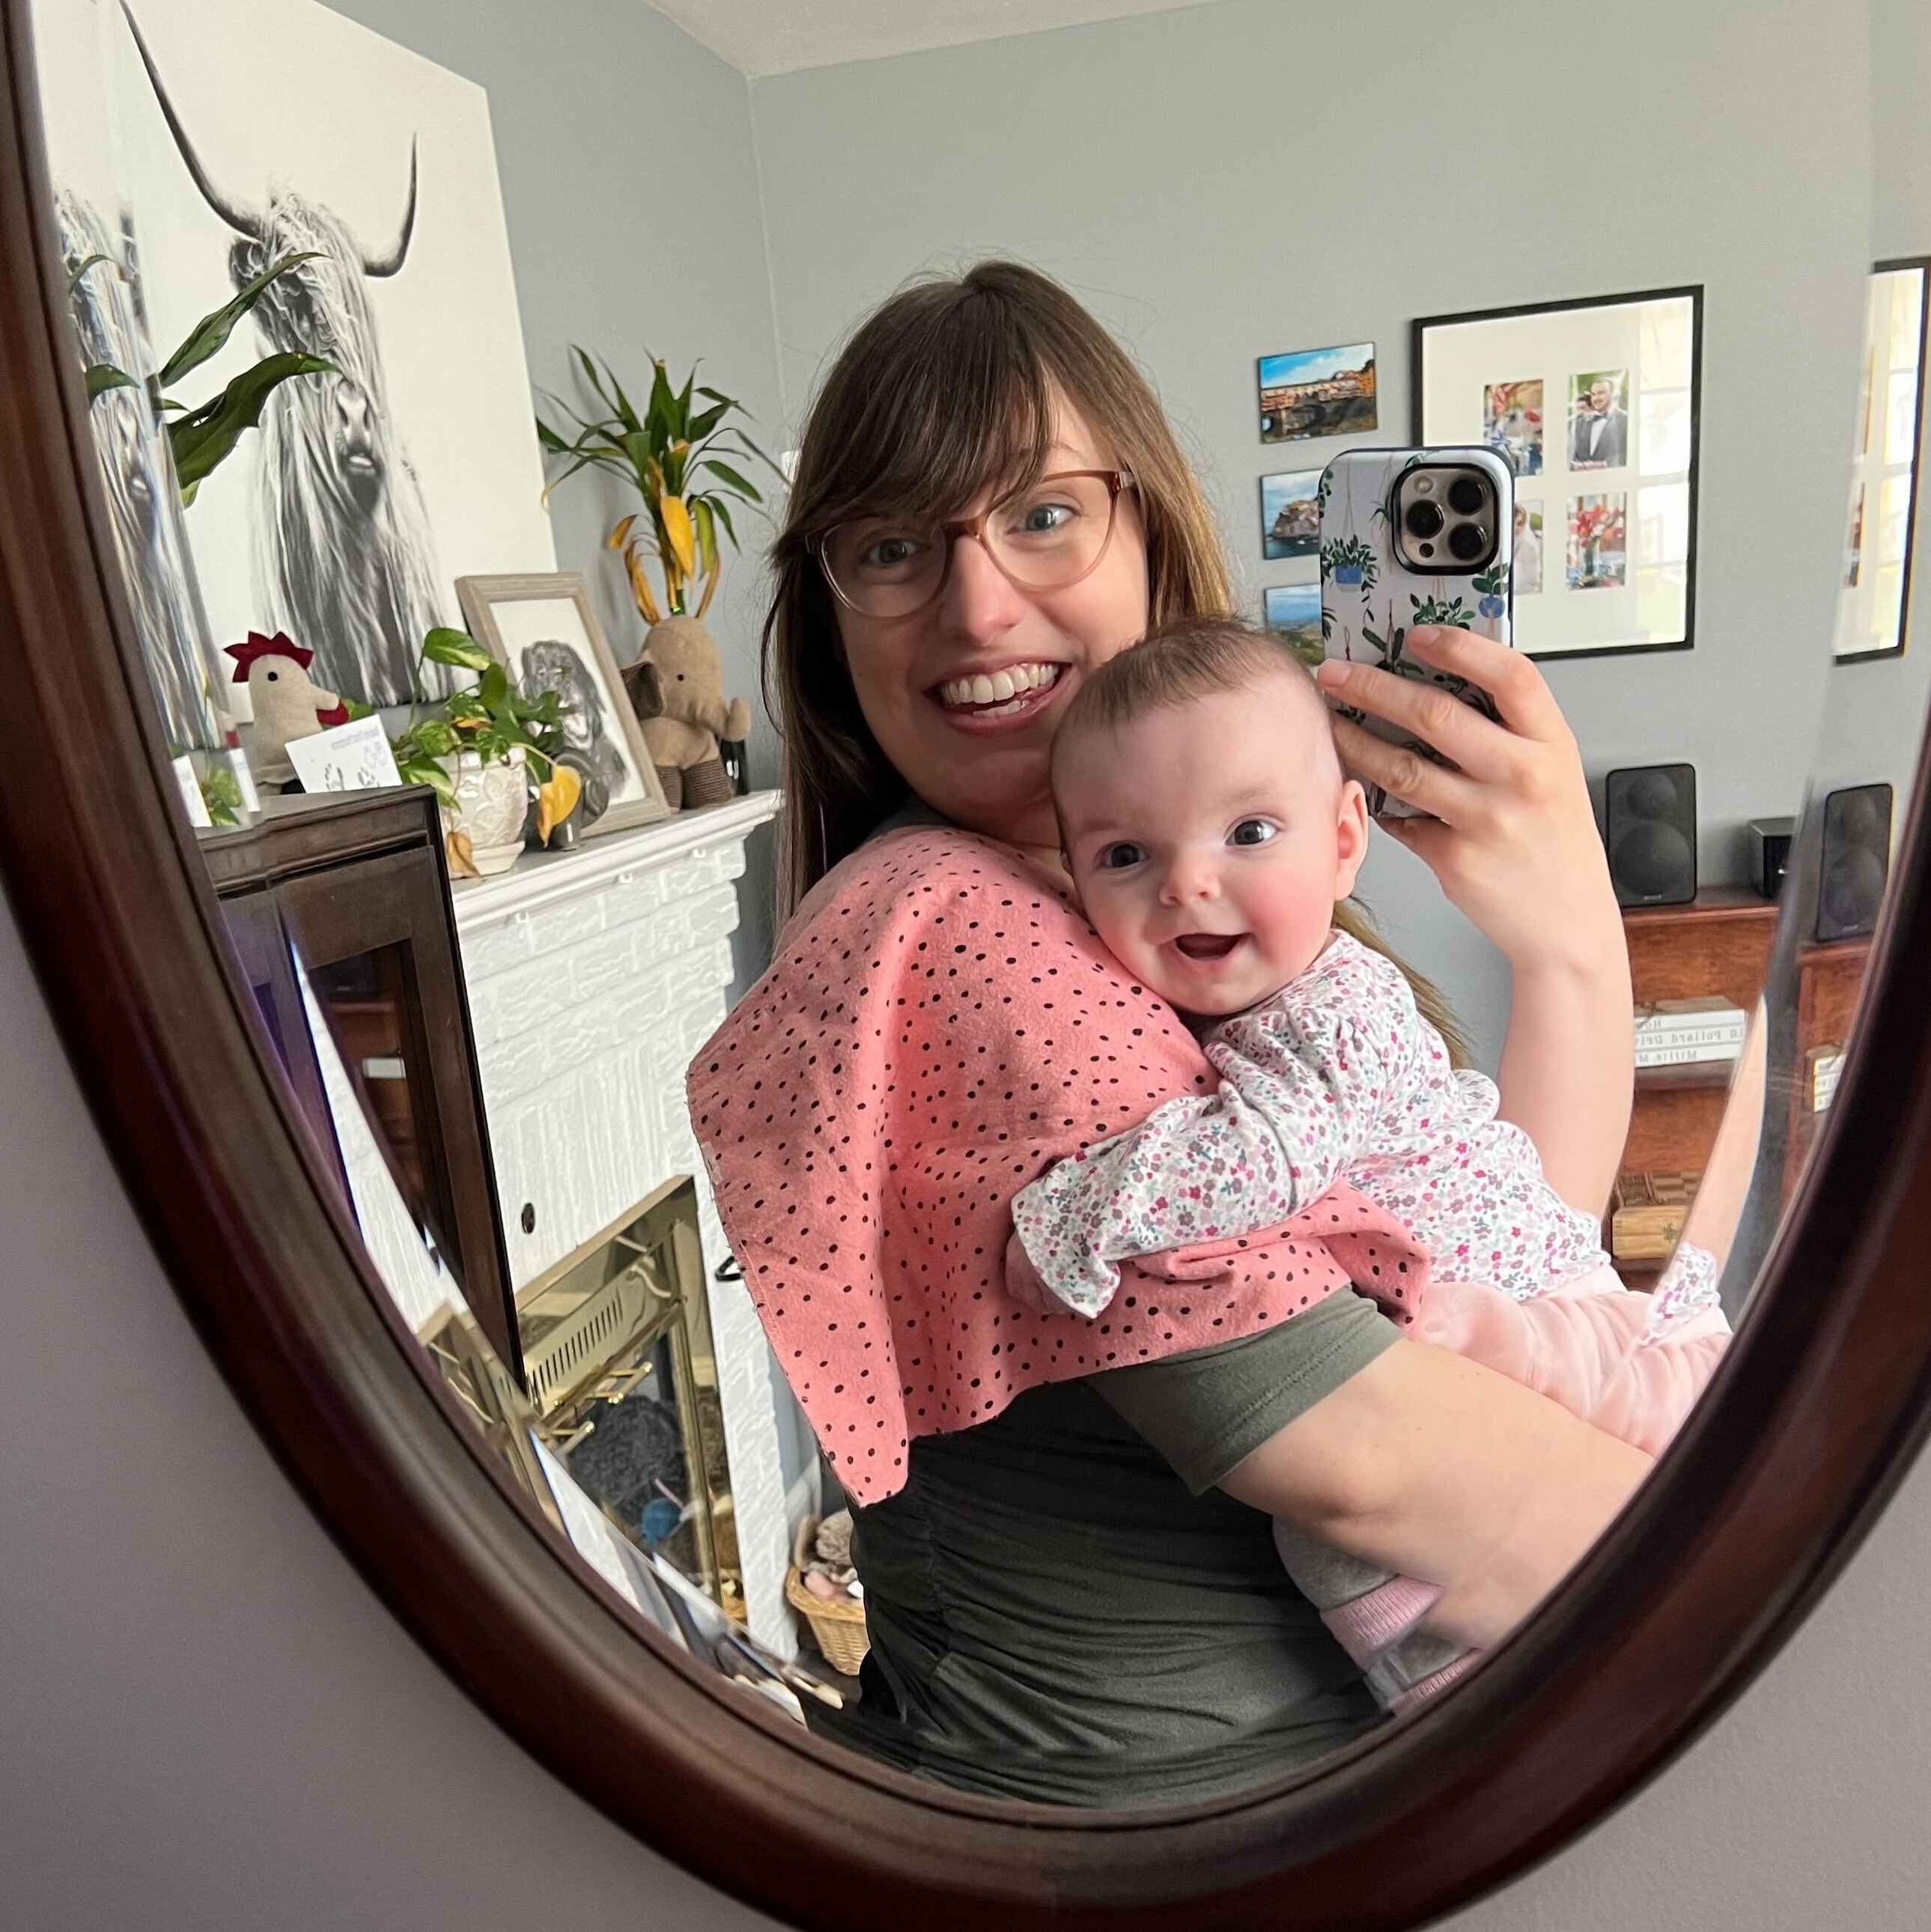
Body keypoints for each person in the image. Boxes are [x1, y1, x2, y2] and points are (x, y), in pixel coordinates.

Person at [698, 261, 1643, 1805]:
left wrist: (1565, 949)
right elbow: (1391, 1469)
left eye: (1042, 513)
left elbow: (1498, 1259)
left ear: (1147, 526)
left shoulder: (1137, 904)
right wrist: (1767, 1559)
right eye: (887, 544)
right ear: (828, 613)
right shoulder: (957, 922)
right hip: (1169, 1850)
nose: (979, 606)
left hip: (1319, 1799)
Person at [1006, 616, 1729, 1712]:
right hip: (1510, 1324)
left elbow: (1264, 1157)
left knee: (1373, 1560)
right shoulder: (1231, 1005)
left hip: (1563, 1340)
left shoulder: (1332, 1010)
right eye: (1123, 855)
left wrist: (1073, 1217)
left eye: (1247, 830)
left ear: (1344, 841)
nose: (1186, 883)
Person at [1569, 374, 1629, 469]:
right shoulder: (1580, 423)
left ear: (1612, 394)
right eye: (1593, 394)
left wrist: (1595, 466)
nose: (1596, 398)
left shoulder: (1626, 419)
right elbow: (1574, 456)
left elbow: (1625, 457)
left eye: (1601, 393)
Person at [1512, 502, 1543, 594]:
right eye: (1515, 523)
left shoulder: (1530, 546)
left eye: (1520, 524)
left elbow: (1532, 581)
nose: (1516, 528)